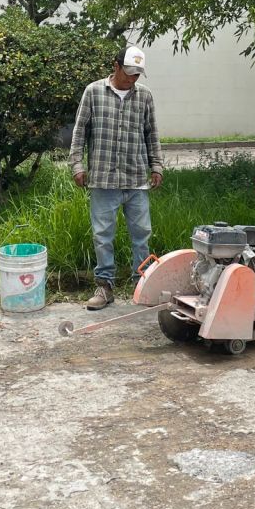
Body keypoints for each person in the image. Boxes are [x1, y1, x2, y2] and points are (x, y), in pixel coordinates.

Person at [69, 45, 164, 310]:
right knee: (103, 235)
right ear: (116, 65)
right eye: (129, 72)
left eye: (137, 74)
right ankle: (105, 286)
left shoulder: (144, 96)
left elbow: (151, 134)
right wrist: (77, 165)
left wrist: (157, 166)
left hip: (135, 178)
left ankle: (141, 285)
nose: (132, 78)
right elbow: (79, 132)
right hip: (103, 178)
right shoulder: (94, 91)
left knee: (142, 233)